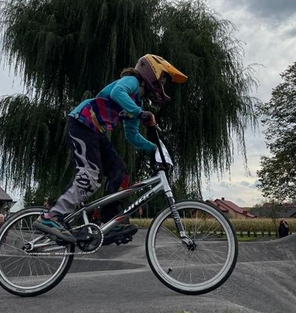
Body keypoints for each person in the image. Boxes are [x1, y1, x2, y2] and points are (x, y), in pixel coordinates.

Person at [33, 54, 187, 245]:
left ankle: (108, 220)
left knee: (120, 173)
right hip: (81, 123)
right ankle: (52, 216)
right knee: (91, 175)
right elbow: (117, 92)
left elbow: (132, 136)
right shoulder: (131, 81)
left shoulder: (137, 103)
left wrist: (155, 148)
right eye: (162, 80)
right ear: (152, 72)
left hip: (96, 131)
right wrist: (140, 114)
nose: (163, 85)